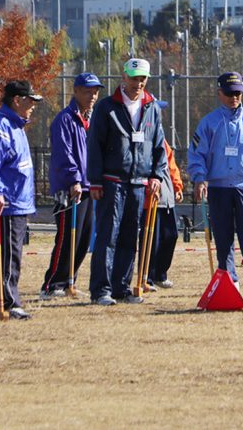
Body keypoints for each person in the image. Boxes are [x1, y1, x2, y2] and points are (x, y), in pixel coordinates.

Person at [188, 72, 243, 299]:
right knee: (223, 236)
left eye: (237, 93)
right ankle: (230, 281)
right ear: (219, 93)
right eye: (229, 93)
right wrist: (199, 178)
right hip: (218, 188)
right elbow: (197, 154)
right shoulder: (208, 123)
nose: (233, 97)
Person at [87, 58, 167, 306]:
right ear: (124, 77)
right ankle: (101, 290)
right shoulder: (106, 107)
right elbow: (94, 147)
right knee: (107, 236)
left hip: (139, 183)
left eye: (143, 78)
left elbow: (158, 145)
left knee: (130, 237)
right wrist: (95, 181)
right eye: (134, 78)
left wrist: (156, 175)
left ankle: (121, 287)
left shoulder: (152, 107)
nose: (138, 83)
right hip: (111, 181)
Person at [0, 80, 43, 320]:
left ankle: (0, 301)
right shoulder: (0, 128)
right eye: (30, 101)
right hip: (6, 204)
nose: (33, 106)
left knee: (13, 254)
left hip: (18, 202)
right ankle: (6, 302)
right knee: (7, 255)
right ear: (17, 100)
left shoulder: (16, 126)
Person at [40, 72, 103, 300]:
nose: (92, 96)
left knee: (84, 237)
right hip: (69, 187)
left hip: (89, 186)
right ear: (75, 91)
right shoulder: (65, 119)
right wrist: (73, 179)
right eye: (88, 91)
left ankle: (70, 280)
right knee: (68, 236)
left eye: (95, 91)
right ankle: (52, 283)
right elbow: (63, 153)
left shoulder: (93, 118)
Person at [149, 130, 184, 289]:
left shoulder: (162, 141)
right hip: (151, 198)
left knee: (172, 235)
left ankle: (160, 274)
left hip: (167, 197)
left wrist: (177, 186)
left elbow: (172, 166)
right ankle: (148, 277)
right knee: (152, 241)